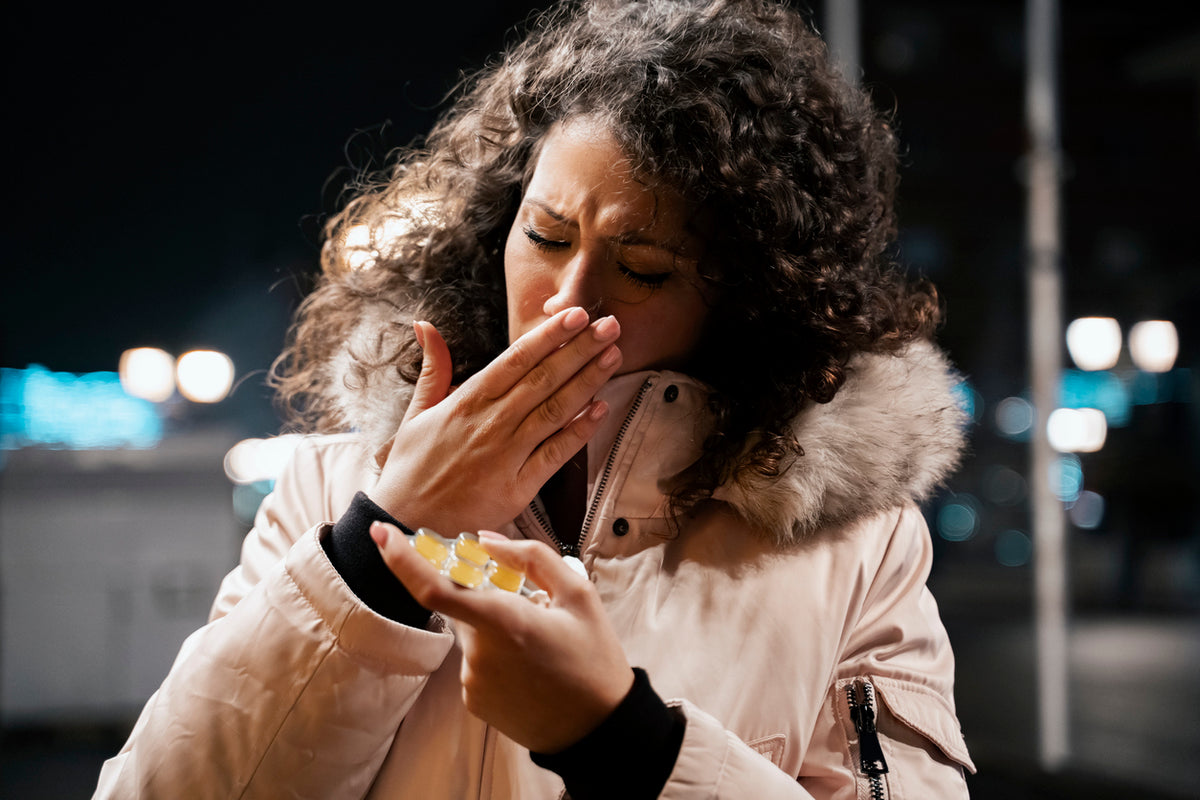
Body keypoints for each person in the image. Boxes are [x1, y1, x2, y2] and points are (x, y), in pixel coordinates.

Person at [95, 0, 976, 796]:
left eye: (641, 269)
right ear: (497, 222)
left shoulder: (856, 544)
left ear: (747, 299)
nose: (567, 299)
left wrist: (624, 743)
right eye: (546, 234)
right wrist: (388, 535)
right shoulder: (335, 487)